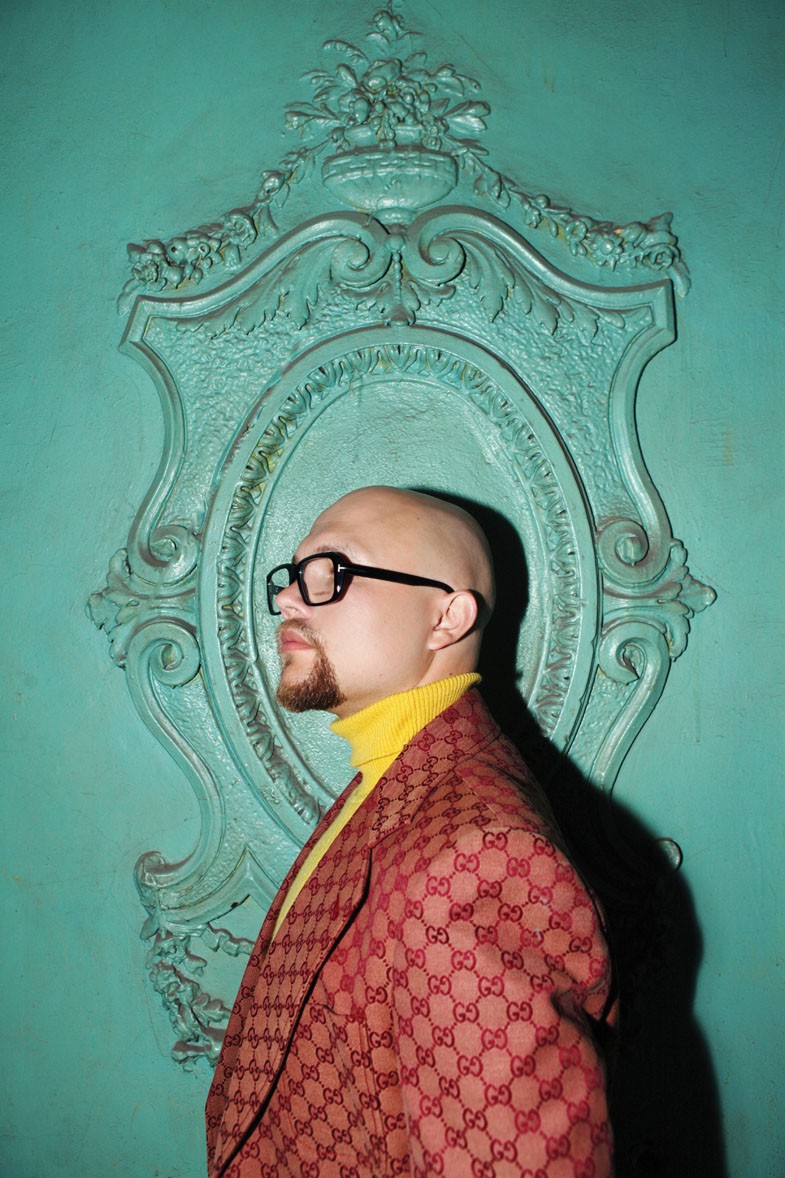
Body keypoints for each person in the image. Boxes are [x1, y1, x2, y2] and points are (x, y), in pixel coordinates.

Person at [206, 486, 615, 1178]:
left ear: (446, 618)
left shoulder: (481, 854)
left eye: (332, 570)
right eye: (292, 575)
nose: (287, 599)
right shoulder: (392, 784)